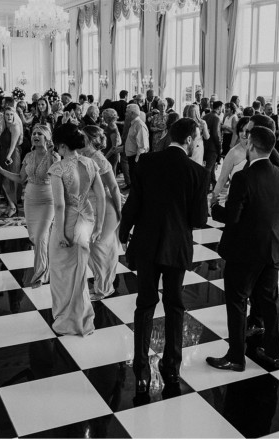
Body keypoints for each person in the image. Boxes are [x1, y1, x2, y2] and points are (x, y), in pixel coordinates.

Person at [119, 118, 209, 393]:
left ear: (169, 135)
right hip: (177, 246)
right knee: (174, 305)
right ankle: (171, 369)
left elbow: (133, 202)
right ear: (191, 139)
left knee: (145, 304)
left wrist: (124, 233)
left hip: (147, 243)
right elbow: (199, 219)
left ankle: (142, 372)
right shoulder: (197, 172)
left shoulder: (146, 162)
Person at [206, 127, 279, 372]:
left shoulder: (244, 177)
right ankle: (274, 354)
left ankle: (236, 357)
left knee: (237, 300)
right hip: (272, 247)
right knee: (270, 300)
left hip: (244, 250)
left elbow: (233, 217)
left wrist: (215, 208)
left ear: (252, 147)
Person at [47, 123, 105, 336]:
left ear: (62, 146)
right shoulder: (90, 162)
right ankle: (80, 314)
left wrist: (60, 233)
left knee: (61, 271)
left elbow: (60, 205)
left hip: (68, 221)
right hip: (87, 219)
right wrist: (98, 225)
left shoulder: (58, 168)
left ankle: (67, 318)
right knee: (79, 270)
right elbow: (100, 195)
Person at [0, 124, 61, 287]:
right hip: (30, 199)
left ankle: (40, 275)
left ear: (47, 137)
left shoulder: (54, 157)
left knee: (41, 236)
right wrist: (1, 171)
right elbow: (20, 178)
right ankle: (46, 265)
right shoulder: (28, 156)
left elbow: (60, 180)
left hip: (48, 200)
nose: (35, 136)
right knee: (34, 237)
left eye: (40, 134)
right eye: (34, 133)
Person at [81, 126, 123, 301]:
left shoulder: (98, 159)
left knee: (98, 249)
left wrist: (120, 211)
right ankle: (103, 283)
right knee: (99, 248)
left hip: (103, 208)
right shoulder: (83, 156)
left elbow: (113, 187)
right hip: (89, 207)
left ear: (91, 140)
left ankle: (104, 288)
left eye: (82, 136)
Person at [210, 116, 250, 205]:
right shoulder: (233, 153)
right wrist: (213, 198)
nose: (243, 134)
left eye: (247, 131)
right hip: (235, 197)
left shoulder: (259, 151)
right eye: (240, 130)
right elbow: (222, 178)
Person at [0, 105, 23, 217]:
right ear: (4, 115)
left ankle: (13, 206)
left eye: (11, 114)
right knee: (5, 180)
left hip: (11, 155)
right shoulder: (6, 126)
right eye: (7, 114)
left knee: (8, 181)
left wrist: (8, 156)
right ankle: (10, 205)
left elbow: (13, 145)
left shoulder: (15, 126)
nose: (9, 116)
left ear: (14, 115)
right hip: (4, 153)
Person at [124, 104, 149, 185]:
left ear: (132, 113)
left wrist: (136, 162)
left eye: (127, 112)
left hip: (136, 159)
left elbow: (143, 146)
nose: (125, 114)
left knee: (137, 184)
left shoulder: (139, 125)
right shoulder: (133, 124)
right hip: (132, 158)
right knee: (134, 184)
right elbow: (132, 142)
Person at [203, 101, 223, 189]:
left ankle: (214, 186)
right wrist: (219, 147)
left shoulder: (205, 116)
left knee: (210, 170)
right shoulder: (216, 118)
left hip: (205, 145)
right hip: (213, 147)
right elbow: (216, 134)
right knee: (209, 169)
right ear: (219, 107)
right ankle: (205, 189)